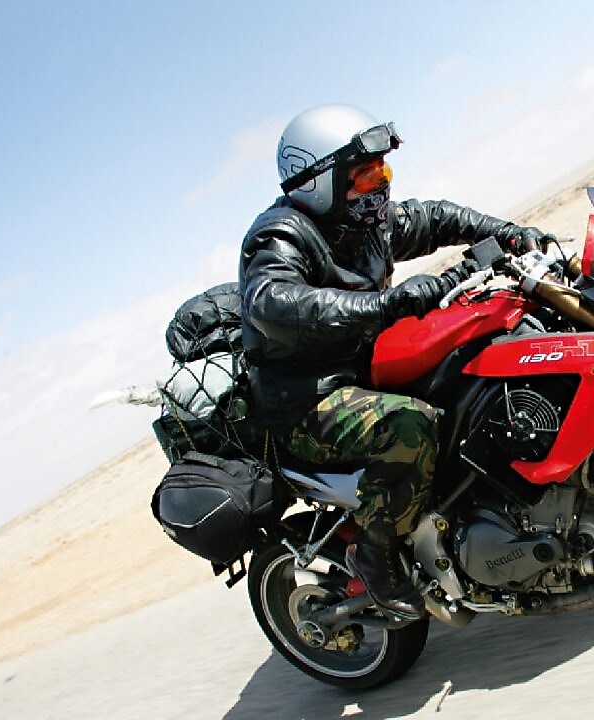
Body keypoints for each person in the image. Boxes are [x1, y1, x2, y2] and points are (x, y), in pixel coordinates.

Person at [238, 103, 554, 619]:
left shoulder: (363, 220)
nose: (381, 182)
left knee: (477, 370)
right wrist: (386, 304)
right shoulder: (280, 236)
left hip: (368, 368)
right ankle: (375, 552)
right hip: (308, 399)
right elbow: (272, 300)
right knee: (411, 427)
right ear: (321, 181)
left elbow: (435, 218)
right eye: (366, 173)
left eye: (383, 169)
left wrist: (511, 233)